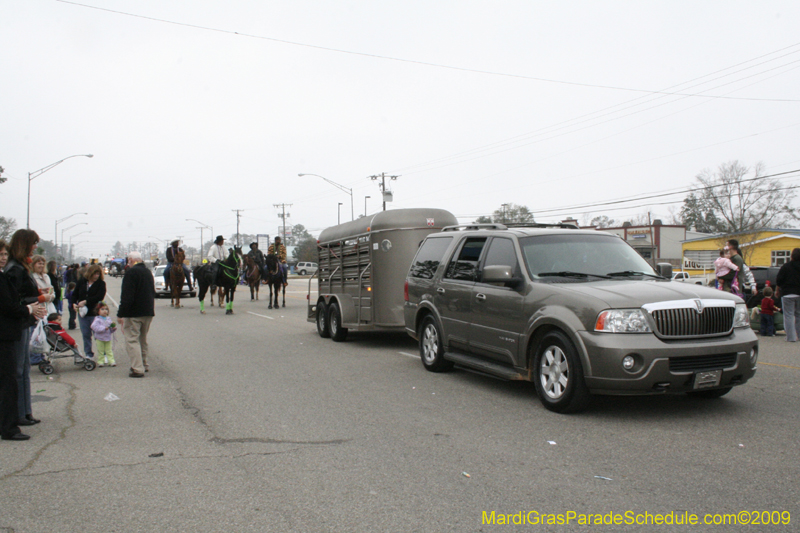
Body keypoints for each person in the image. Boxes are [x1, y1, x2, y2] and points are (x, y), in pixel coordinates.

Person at [0, 239, 47, 441]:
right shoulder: (9, 273)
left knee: (14, 375)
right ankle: (9, 426)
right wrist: (29, 308)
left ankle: (15, 418)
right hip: (6, 333)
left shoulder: (7, 273)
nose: (3, 258)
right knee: (10, 379)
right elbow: (8, 306)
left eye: (4, 254)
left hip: (9, 331)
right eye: (0, 255)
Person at [117, 251, 155, 378]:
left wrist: (121, 313)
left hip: (134, 312)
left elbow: (127, 296)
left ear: (132, 260)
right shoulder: (148, 272)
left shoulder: (131, 273)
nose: (128, 263)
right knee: (142, 339)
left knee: (132, 339)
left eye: (128, 260)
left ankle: (137, 368)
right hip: (148, 311)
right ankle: (144, 364)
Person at [74, 264, 107, 361]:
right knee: (86, 334)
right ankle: (88, 354)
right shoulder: (81, 282)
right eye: (94, 274)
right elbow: (75, 294)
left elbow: (99, 297)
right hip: (83, 313)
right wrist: (73, 303)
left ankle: (103, 354)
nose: (96, 276)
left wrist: (86, 301)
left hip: (94, 312)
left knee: (98, 334)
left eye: (98, 274)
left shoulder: (101, 284)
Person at [776, 247, 800, 342]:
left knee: (789, 315)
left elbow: (779, 280)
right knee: (799, 315)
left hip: (787, 293)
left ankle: (791, 337)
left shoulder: (786, 266)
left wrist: (778, 290)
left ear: (792, 256)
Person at [91, 302, 117, 367]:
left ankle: (111, 361)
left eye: (106, 309)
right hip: (100, 338)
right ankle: (100, 361)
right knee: (101, 351)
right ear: (98, 311)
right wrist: (103, 328)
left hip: (108, 337)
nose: (105, 311)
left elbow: (110, 328)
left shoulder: (108, 319)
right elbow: (94, 327)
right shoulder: (97, 319)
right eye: (102, 309)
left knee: (109, 350)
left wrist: (113, 328)